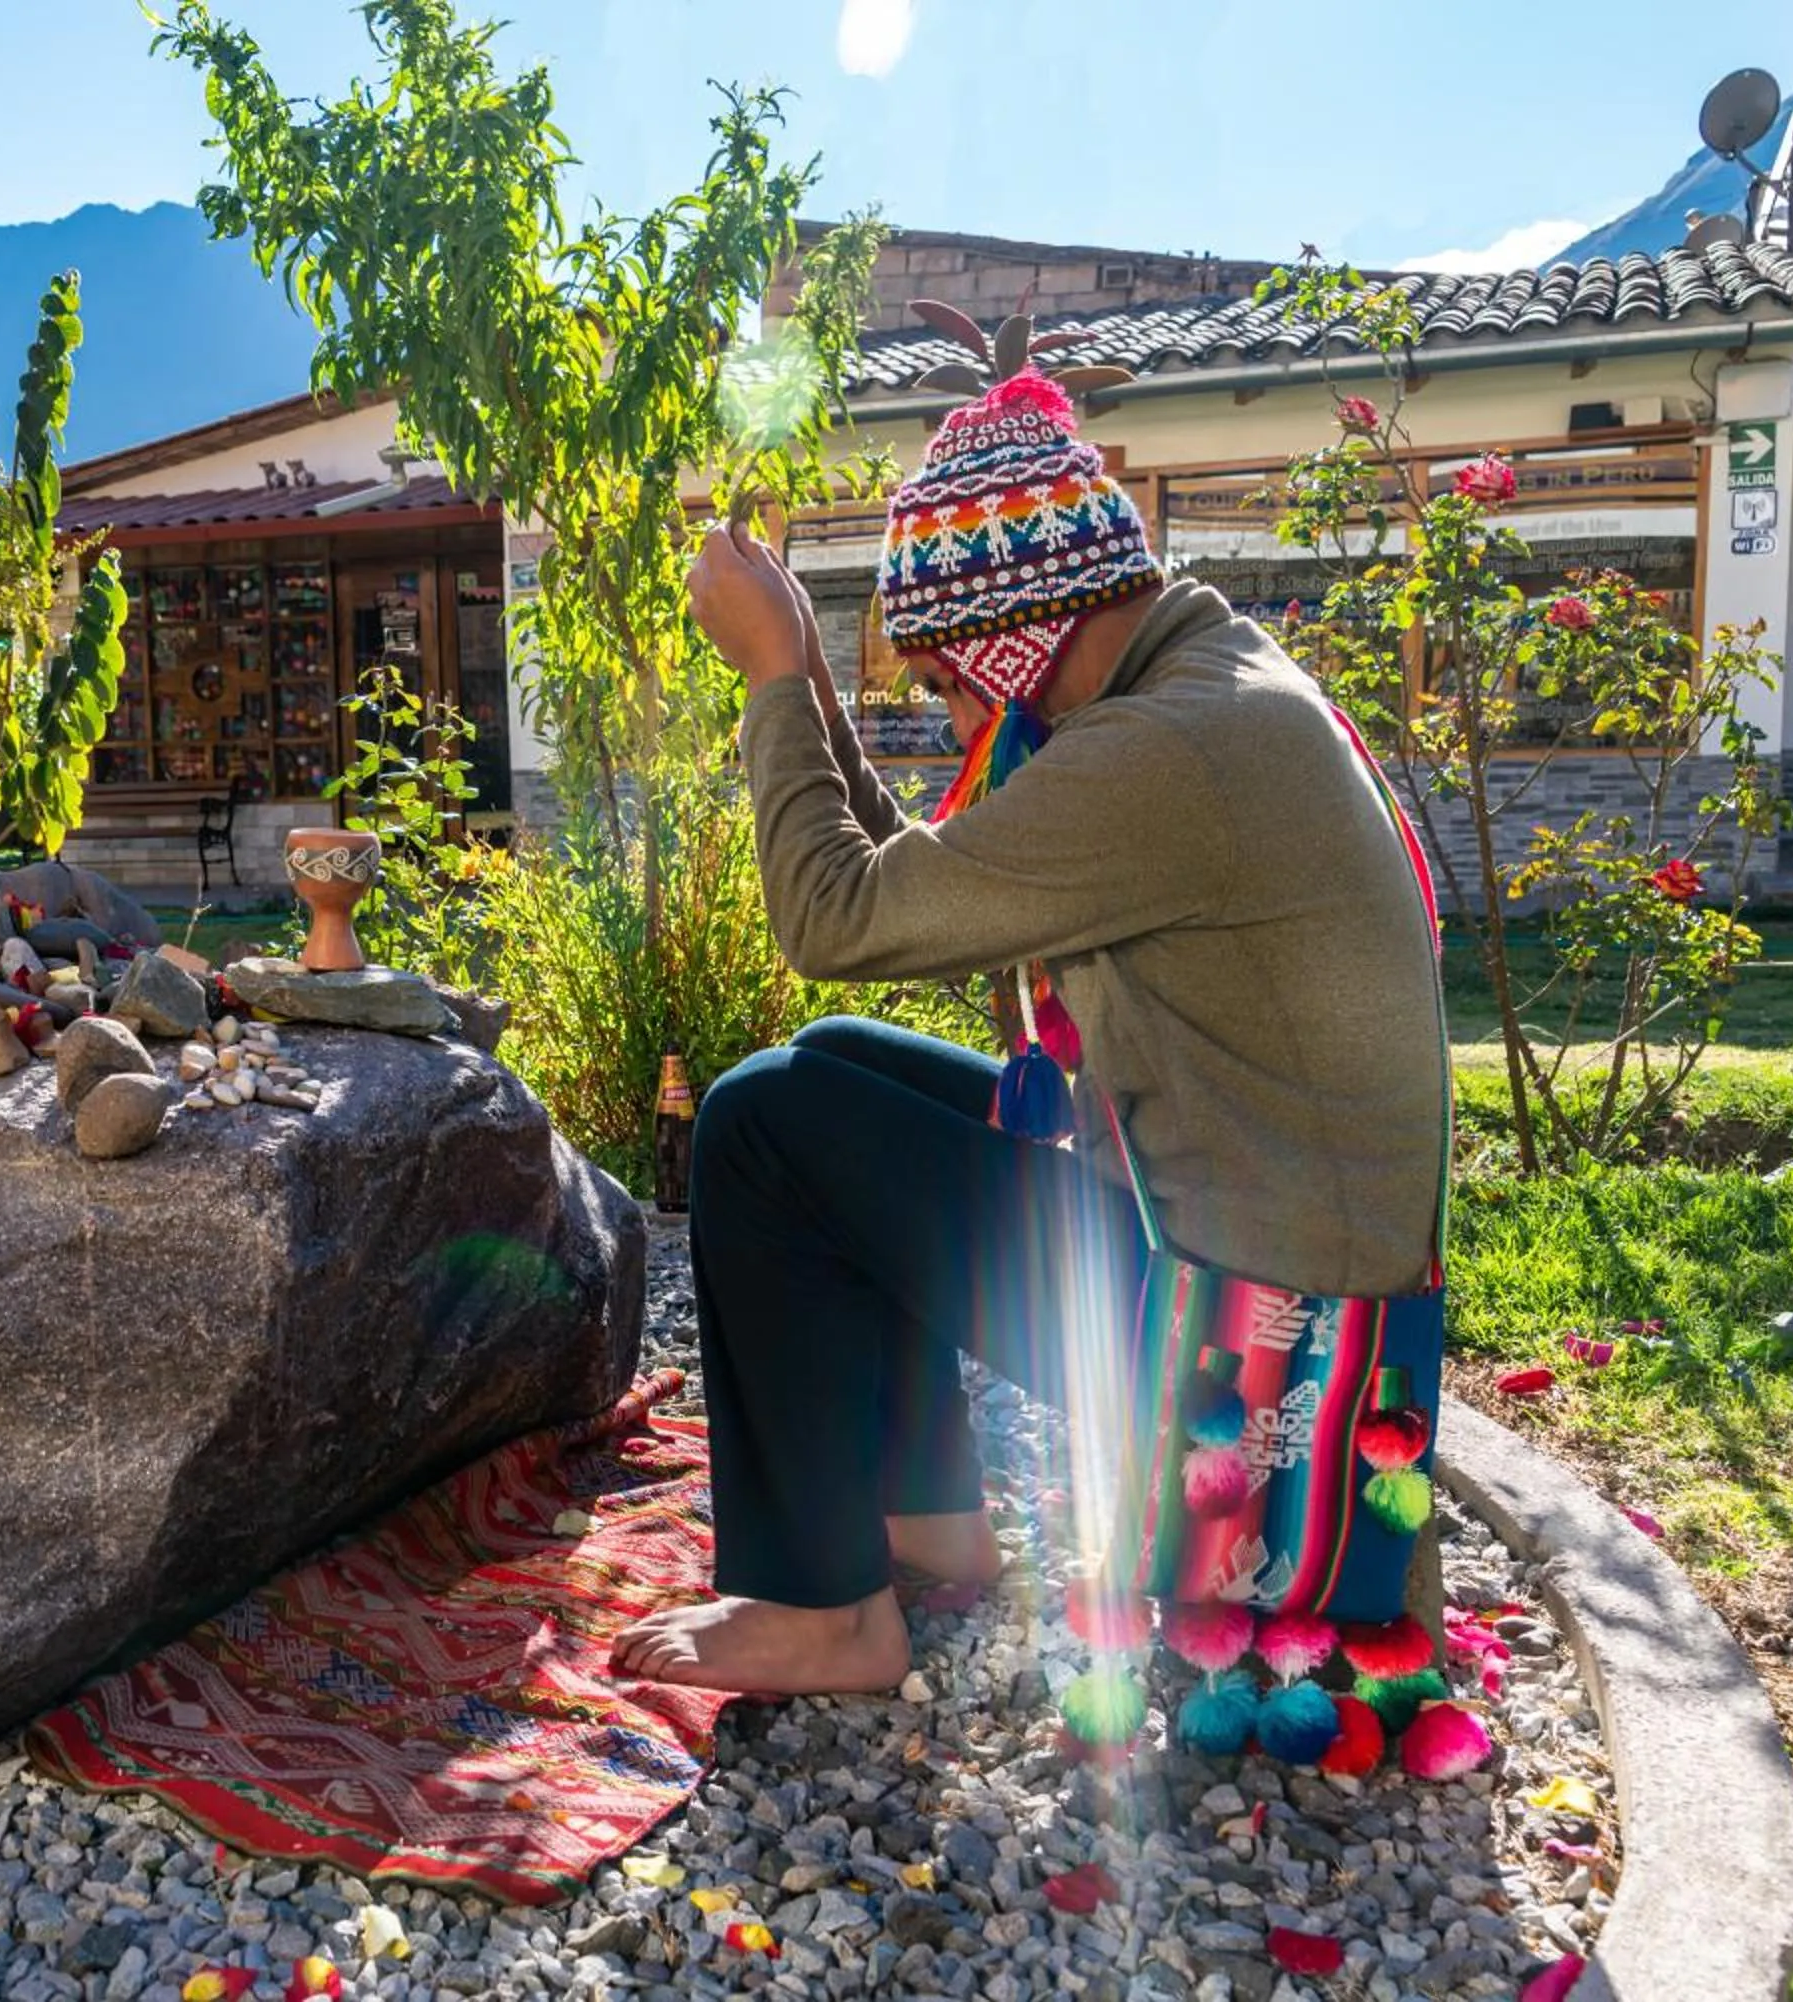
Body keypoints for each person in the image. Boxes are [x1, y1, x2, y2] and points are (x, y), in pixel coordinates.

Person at [611, 369, 1448, 1695]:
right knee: (832, 1061)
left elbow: (833, 910)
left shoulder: (1168, 753)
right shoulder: (1199, 686)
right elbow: (924, 888)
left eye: (950, 683)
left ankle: (830, 1613)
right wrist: (813, 684)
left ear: (1020, 640)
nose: (957, 717)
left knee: (762, 1126)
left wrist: (771, 675)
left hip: (1246, 1340)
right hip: (1225, 1238)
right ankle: (928, 1516)